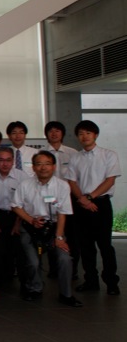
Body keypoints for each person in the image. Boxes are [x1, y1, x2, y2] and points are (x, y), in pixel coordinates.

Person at [13, 151, 82, 307]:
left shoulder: (62, 186)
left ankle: (66, 294)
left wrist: (59, 237)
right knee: (32, 262)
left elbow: (63, 213)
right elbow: (16, 206)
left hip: (54, 228)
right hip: (30, 226)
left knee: (65, 259)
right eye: (39, 164)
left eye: (47, 164)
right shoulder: (25, 185)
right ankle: (35, 288)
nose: (43, 167)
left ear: (54, 166)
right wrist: (31, 220)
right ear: (33, 167)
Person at [66, 120, 121, 295]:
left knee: (105, 245)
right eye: (81, 133)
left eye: (88, 133)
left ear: (95, 135)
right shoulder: (75, 157)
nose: (84, 136)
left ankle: (111, 282)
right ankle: (91, 280)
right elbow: (71, 182)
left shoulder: (109, 155)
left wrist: (90, 197)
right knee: (85, 245)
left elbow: (110, 180)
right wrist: (83, 199)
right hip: (81, 204)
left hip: (101, 204)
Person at [0, 147, 28, 298]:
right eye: (1, 160)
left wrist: (18, 223)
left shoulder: (22, 177)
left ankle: (26, 286)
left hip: (17, 216)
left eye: (8, 160)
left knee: (20, 250)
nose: (5, 164)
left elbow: (25, 202)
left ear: (13, 161)